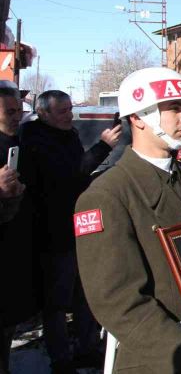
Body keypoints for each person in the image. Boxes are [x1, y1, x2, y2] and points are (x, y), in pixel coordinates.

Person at [74, 67, 181, 373]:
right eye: (174, 109)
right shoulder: (106, 196)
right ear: (138, 118)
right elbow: (117, 302)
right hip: (158, 356)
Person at [21, 90, 121, 373]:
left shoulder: (70, 134)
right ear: (44, 114)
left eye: (69, 109)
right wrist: (103, 147)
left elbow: (79, 177)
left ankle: (86, 348)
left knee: (85, 294)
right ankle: (61, 359)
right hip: (53, 235)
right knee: (57, 302)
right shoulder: (34, 139)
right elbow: (68, 175)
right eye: (62, 111)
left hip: (79, 227)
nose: (69, 116)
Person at [0, 81, 35, 374]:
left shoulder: (22, 142)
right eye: (9, 111)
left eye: (19, 110)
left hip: (15, 251)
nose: (16, 116)